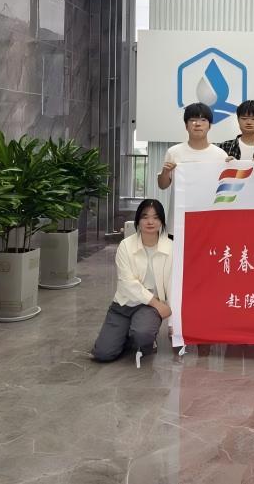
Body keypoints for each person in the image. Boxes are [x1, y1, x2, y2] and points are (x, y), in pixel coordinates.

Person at [91, 200, 174, 367]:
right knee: (103, 354)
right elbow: (127, 283)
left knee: (143, 336)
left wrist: (173, 322)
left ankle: (141, 335)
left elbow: (173, 285)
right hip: (124, 305)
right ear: (138, 220)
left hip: (149, 308)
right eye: (145, 217)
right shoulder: (126, 245)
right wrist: (158, 305)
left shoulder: (170, 247)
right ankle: (128, 332)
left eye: (155, 217)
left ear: (162, 221)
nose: (150, 222)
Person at [157, 102, 228, 235]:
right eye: (193, 120)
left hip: (209, 222)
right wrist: (165, 172)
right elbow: (162, 185)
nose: (198, 124)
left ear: (210, 125)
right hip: (179, 222)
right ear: (186, 125)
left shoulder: (220, 155)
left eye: (203, 120)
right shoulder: (174, 152)